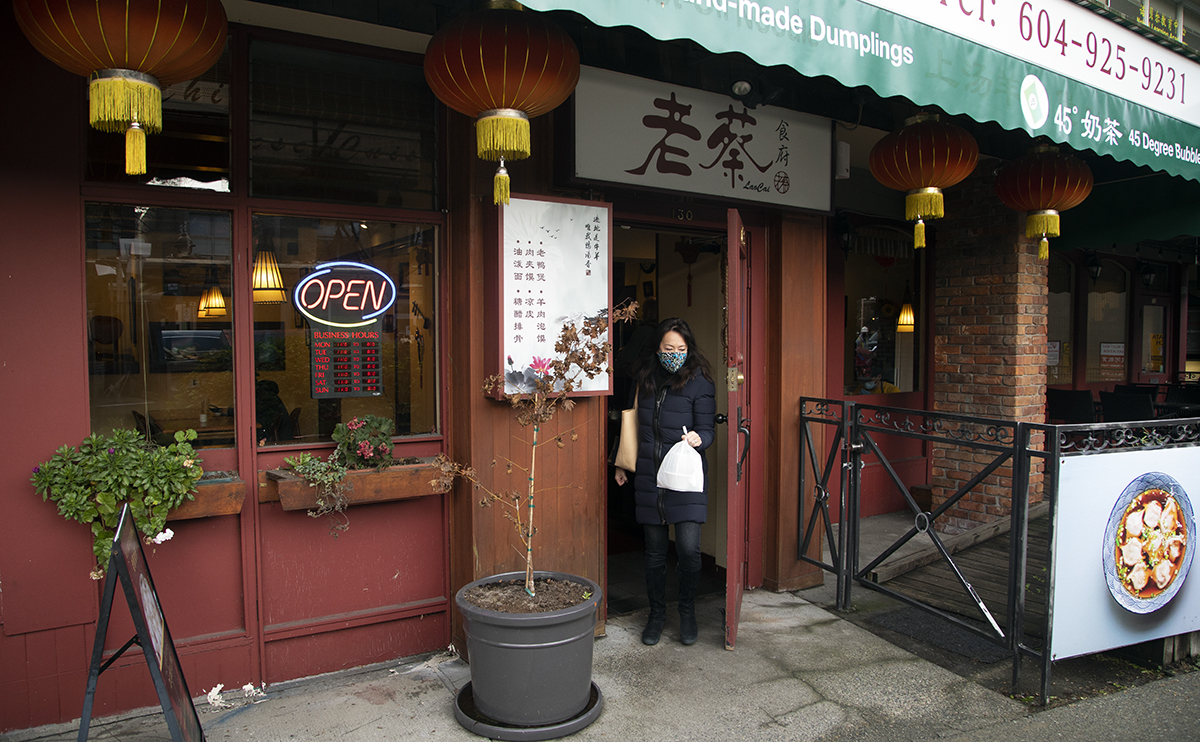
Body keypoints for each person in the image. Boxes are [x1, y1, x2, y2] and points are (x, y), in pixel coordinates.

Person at [614, 318, 716, 646]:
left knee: (688, 550)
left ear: (689, 350)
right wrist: (622, 464)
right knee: (655, 553)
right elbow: (629, 424)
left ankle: (687, 611)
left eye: (681, 349)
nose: (674, 354)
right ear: (658, 348)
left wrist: (702, 439)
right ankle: (656, 614)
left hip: (684, 474)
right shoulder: (643, 378)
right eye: (668, 349)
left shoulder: (700, 382)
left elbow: (708, 428)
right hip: (648, 474)